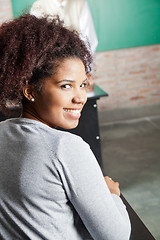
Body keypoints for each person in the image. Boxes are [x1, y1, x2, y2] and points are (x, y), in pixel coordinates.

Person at [0, 14, 131, 240]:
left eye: (82, 85)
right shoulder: (66, 148)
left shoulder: (2, 132)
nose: (80, 97)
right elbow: (116, 236)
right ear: (30, 91)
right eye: (66, 86)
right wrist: (112, 196)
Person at [30, 0, 98, 93]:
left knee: (85, 98)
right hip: (52, 66)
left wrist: (87, 70)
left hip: (78, 62)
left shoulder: (79, 3)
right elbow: (36, 41)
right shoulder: (39, 5)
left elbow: (89, 39)